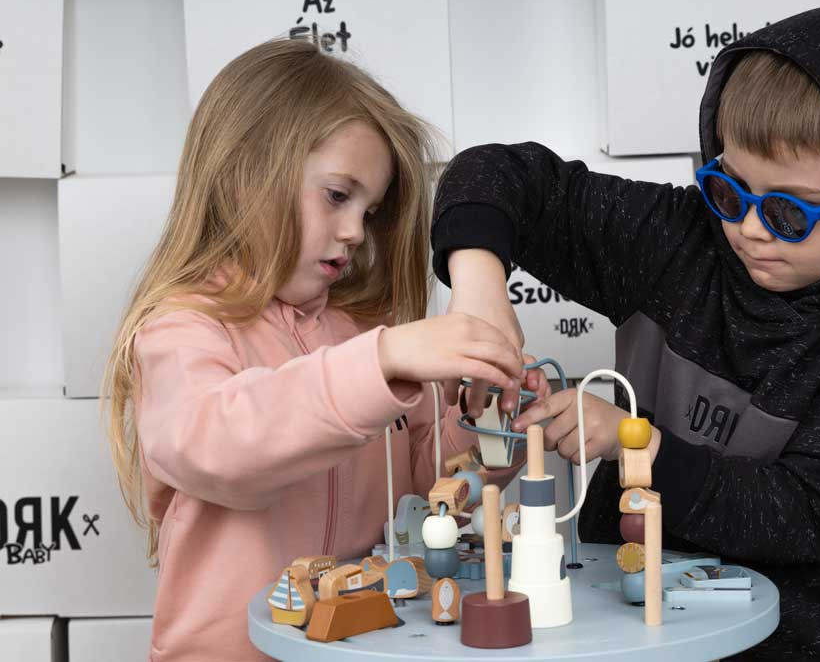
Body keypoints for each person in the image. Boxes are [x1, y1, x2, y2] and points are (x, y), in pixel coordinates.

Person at [432, 4, 820, 660]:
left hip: (794, 641)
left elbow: (804, 516)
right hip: (626, 630)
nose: (749, 229)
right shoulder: (674, 242)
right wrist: (478, 290)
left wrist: (635, 444)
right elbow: (498, 173)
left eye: (790, 212)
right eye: (729, 190)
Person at [103, 39, 537, 661]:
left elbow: (424, 488)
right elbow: (218, 446)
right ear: (245, 173)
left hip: (364, 646)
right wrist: (380, 361)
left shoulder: (364, 330)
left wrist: (488, 423)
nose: (356, 231)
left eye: (370, 210)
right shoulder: (183, 327)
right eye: (338, 195)